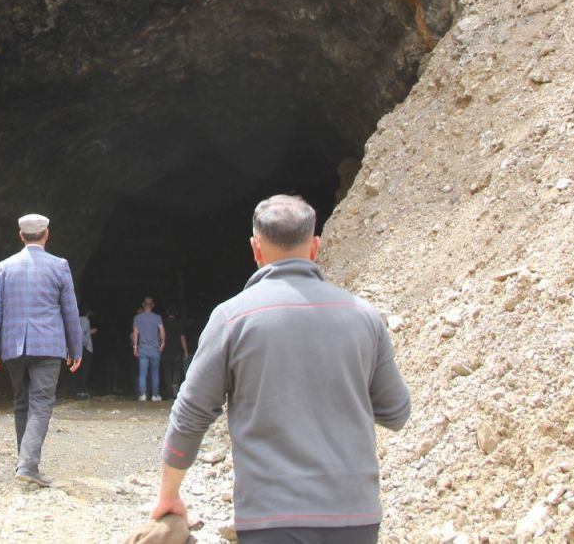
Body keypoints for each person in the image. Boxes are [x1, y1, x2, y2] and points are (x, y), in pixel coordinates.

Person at [151, 195, 411, 543]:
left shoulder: (232, 318)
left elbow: (190, 414)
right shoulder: (365, 317)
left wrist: (169, 495)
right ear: (315, 246)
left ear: (255, 249)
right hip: (356, 516)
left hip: (272, 518)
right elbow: (396, 413)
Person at [0, 213, 83, 487]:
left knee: (21, 403)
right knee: (40, 405)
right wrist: (76, 347)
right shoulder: (59, 266)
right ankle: (27, 465)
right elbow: (70, 311)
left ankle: (24, 463)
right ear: (47, 234)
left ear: (21, 236)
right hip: (49, 346)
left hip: (13, 345)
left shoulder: (3, 268)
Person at [132, 296, 165, 401]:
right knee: (155, 373)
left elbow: (135, 333)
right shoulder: (157, 317)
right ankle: (155, 395)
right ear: (153, 305)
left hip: (143, 349)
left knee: (143, 373)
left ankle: (143, 395)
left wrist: (135, 347)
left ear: (143, 305)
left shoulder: (137, 318)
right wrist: (162, 343)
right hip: (155, 349)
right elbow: (162, 330)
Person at [159, 307, 190, 400]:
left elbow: (160, 336)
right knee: (177, 370)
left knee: (167, 372)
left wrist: (159, 347)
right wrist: (185, 352)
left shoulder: (163, 323)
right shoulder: (179, 323)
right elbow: (182, 338)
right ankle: (175, 383)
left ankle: (169, 393)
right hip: (177, 351)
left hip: (165, 351)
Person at [73, 309, 98, 399]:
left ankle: (78, 390)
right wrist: (85, 344)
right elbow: (82, 334)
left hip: (76, 348)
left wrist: (90, 332)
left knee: (78, 370)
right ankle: (82, 391)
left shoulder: (76, 319)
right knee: (84, 370)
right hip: (84, 349)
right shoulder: (85, 320)